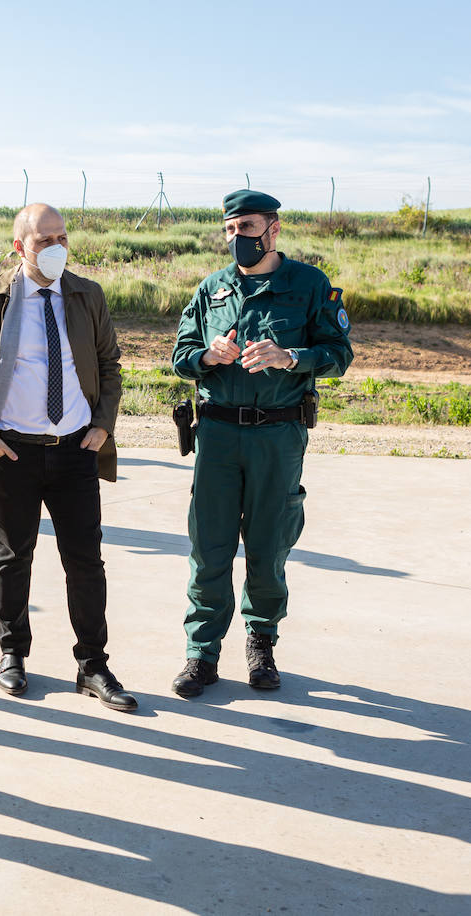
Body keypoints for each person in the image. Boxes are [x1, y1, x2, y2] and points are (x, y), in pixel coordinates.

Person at [0, 203, 136, 712]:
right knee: (14, 557)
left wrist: (102, 424)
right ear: (19, 247)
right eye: (43, 240)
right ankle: (13, 654)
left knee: (86, 561)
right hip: (12, 451)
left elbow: (108, 365)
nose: (56, 248)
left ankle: (93, 665)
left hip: (76, 450)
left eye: (62, 237)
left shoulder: (86, 294)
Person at [170, 189, 353, 698]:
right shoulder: (212, 288)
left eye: (247, 228)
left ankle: (261, 643)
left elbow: (339, 353)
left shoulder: (309, 285)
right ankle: (201, 654)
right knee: (209, 548)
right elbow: (180, 355)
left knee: (269, 546)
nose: (237, 238)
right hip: (219, 435)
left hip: (278, 434)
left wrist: (290, 357)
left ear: (274, 229)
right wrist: (208, 357)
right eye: (230, 229)